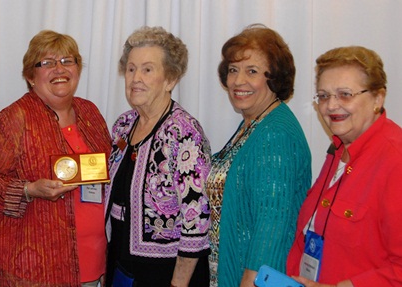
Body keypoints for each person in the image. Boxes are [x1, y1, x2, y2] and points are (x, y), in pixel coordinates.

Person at [0, 30, 111, 286]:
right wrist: (28, 190)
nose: (59, 69)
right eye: (47, 63)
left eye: (67, 60)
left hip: (92, 264)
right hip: (32, 273)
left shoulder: (90, 113)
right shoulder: (14, 119)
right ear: (31, 76)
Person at [104, 26, 212, 287]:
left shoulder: (184, 132)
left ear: (170, 79)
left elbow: (197, 218)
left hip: (167, 273)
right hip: (120, 263)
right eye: (131, 69)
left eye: (147, 69)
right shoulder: (123, 125)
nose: (136, 78)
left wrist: (178, 283)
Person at [287, 46, 402, 287]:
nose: (331, 106)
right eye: (324, 96)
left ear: (377, 98)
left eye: (345, 94)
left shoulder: (395, 160)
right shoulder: (339, 149)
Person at [206, 24, 311, 287]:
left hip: (251, 278)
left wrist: (251, 281)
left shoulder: (275, 135)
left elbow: (272, 226)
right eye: (233, 70)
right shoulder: (253, 124)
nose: (238, 81)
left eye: (252, 71)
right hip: (231, 269)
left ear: (274, 78)